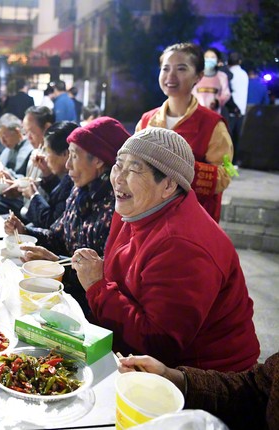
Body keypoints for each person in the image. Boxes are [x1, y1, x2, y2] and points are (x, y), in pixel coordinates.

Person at [73, 127, 260, 371]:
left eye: (134, 169)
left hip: (206, 376)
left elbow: (159, 343)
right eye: (118, 165)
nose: (118, 178)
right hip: (136, 349)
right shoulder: (134, 209)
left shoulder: (181, 245)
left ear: (169, 185)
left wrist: (97, 287)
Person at [6, 117, 130, 315]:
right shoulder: (79, 190)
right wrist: (24, 230)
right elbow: (58, 235)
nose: (68, 165)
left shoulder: (117, 206)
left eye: (74, 156)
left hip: (89, 307)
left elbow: (103, 274)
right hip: (62, 292)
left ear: (98, 159)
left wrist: (57, 262)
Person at [136, 42, 234, 222]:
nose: (170, 76)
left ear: (198, 76)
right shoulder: (146, 121)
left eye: (181, 69)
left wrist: (174, 166)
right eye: (165, 69)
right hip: (150, 218)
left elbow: (225, 173)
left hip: (192, 220)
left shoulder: (212, 125)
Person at [118, 352, 278, 430]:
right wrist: (171, 377)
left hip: (205, 358)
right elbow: (255, 388)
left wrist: (98, 288)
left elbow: (154, 335)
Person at [23, 121, 78, 228]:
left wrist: (33, 196)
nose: (45, 157)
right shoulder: (68, 177)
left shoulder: (77, 182)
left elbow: (52, 224)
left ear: (65, 153)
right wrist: (47, 175)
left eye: (47, 151)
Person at [0, 113, 33, 214]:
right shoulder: (8, 150)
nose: (3, 142)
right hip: (3, 197)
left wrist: (6, 172)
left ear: (17, 131)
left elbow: (26, 180)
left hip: (19, 201)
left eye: (5, 137)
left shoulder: (30, 149)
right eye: (0, 138)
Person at [192, 48, 231, 114]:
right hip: (195, 113)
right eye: (206, 57)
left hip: (214, 114)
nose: (209, 59)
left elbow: (226, 94)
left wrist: (218, 102)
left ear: (218, 60)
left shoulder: (222, 76)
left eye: (212, 57)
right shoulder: (195, 75)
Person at [226, 51, 248, 163]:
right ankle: (234, 162)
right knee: (237, 138)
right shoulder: (244, 74)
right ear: (240, 61)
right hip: (241, 111)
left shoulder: (228, 74)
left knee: (227, 138)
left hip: (230, 110)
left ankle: (227, 161)